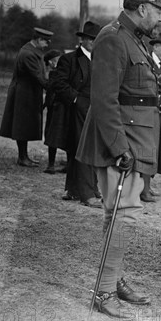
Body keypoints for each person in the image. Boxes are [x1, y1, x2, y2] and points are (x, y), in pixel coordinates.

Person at [76, 0, 161, 318]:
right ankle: (102, 293)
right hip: (120, 141)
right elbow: (104, 99)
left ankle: (112, 280)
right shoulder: (113, 38)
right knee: (123, 214)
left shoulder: (134, 39)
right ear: (142, 8)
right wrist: (119, 147)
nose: (160, 17)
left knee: (116, 214)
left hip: (134, 136)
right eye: (158, 10)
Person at [52, 21, 102, 208]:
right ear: (82, 40)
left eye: (96, 39)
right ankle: (87, 194)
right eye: (89, 39)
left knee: (87, 149)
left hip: (95, 110)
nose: (92, 42)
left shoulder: (100, 59)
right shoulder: (69, 59)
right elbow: (58, 83)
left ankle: (76, 189)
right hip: (75, 112)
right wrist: (76, 100)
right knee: (82, 149)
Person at [0, 27, 53, 166]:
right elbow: (38, 76)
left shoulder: (32, 51)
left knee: (24, 124)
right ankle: (22, 158)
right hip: (23, 94)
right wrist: (53, 88)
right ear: (39, 40)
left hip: (28, 92)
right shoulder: (28, 53)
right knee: (22, 125)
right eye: (46, 41)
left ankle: (24, 156)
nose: (47, 44)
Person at [140, 31, 161, 202]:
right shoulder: (148, 62)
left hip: (156, 114)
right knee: (148, 151)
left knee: (153, 152)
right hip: (146, 112)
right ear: (155, 46)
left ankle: (146, 186)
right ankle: (143, 190)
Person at [42, 49, 63, 174]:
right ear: (51, 62)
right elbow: (50, 92)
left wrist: (46, 104)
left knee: (52, 134)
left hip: (56, 107)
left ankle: (51, 165)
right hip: (58, 106)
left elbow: (50, 90)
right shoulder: (56, 73)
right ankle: (52, 165)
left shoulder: (54, 74)